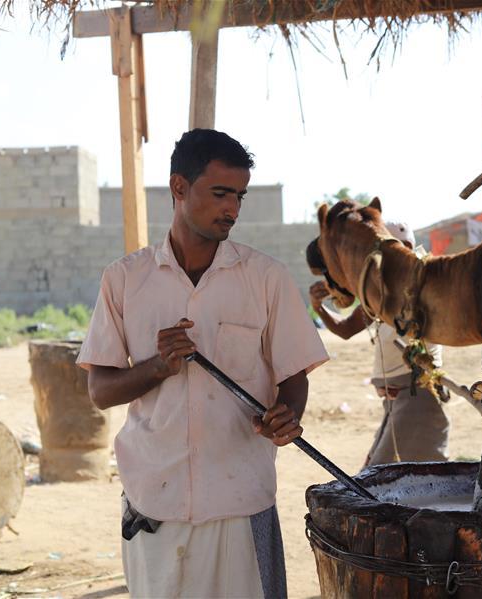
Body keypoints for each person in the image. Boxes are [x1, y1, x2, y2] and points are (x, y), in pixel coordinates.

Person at [76, 129, 329, 599]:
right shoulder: (124, 280)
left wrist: (286, 415)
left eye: (239, 195)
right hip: (155, 504)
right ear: (179, 188)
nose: (232, 208)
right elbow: (101, 391)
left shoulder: (265, 278)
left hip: (239, 504)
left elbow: (293, 376)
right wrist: (157, 366)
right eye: (219, 193)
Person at [309, 221, 450, 467]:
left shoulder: (424, 284)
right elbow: (345, 329)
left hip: (416, 398)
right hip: (397, 402)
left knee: (384, 476)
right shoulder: (379, 292)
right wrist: (318, 307)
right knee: (390, 477)